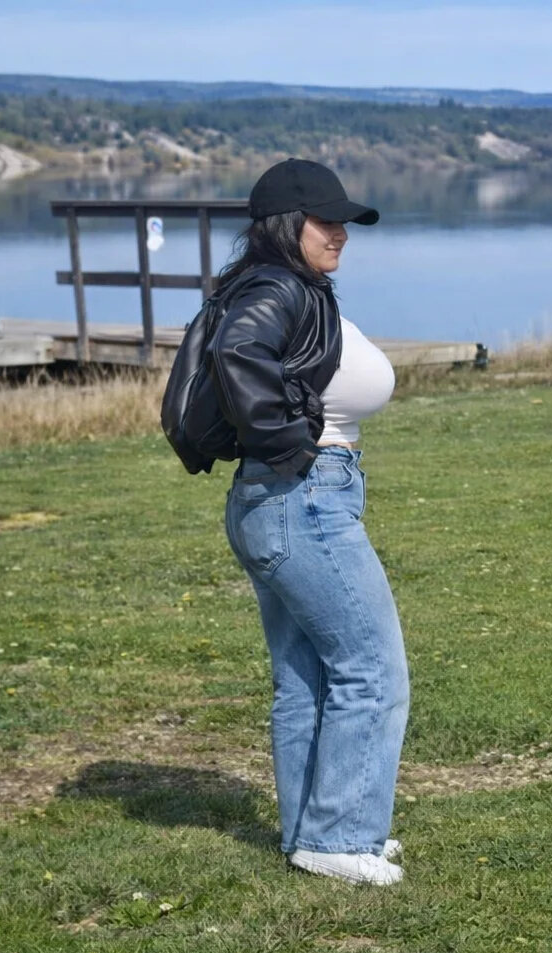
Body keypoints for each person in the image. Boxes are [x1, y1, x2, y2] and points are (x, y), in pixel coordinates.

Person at [209, 158, 408, 885]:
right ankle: (341, 835)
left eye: (345, 222)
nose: (341, 233)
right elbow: (238, 353)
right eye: (327, 221)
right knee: (372, 670)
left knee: (307, 676)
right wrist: (291, 443)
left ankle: (312, 832)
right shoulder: (277, 288)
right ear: (286, 225)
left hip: (285, 498)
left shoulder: (283, 285)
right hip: (303, 494)